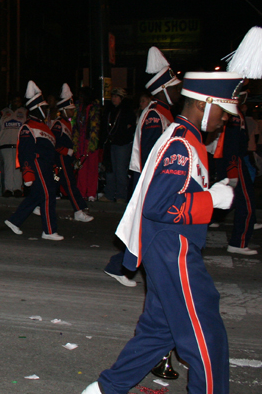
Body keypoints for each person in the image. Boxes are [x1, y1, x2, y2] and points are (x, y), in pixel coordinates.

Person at [81, 69, 243, 394]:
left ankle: (105, 391)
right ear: (207, 104)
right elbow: (159, 204)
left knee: (160, 331)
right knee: (206, 340)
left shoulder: (185, 138)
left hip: (168, 249)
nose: (224, 121)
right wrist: (210, 201)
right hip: (174, 250)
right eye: (223, 113)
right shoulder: (182, 144)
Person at [104, 47, 181, 287]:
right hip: (151, 180)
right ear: (164, 90)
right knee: (146, 228)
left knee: (149, 228)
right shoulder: (155, 115)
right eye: (175, 88)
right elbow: (151, 154)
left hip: (156, 180)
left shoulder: (164, 113)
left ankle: (121, 266)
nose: (179, 92)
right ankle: (121, 267)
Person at [3, 81, 64, 240]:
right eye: (43, 108)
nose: (46, 111)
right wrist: (28, 174)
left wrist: (56, 169)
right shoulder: (28, 127)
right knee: (47, 195)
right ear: (36, 108)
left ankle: (14, 221)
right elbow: (25, 152)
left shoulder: (45, 127)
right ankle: (49, 231)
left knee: (38, 195)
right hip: (37, 166)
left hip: (46, 167)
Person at [50, 83, 93, 222]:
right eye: (70, 109)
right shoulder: (58, 124)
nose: (73, 112)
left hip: (66, 159)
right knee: (69, 184)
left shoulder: (68, 123)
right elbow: (54, 144)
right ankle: (78, 210)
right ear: (64, 110)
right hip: (61, 159)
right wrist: (67, 151)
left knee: (55, 184)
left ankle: (38, 203)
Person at [102, 88, 135, 203]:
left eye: (116, 97)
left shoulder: (127, 111)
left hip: (122, 144)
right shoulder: (109, 111)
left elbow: (130, 128)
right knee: (110, 170)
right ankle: (109, 195)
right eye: (113, 96)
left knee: (121, 170)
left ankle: (121, 196)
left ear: (122, 98)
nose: (114, 99)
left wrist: (123, 133)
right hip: (111, 143)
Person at [0, 94, 27, 197]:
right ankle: (8, 189)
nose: (16, 103)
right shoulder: (3, 112)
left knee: (18, 167)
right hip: (6, 143)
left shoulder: (25, 112)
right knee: (8, 166)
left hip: (19, 143)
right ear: (11, 101)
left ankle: (17, 188)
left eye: (18, 101)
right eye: (15, 100)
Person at [72, 88, 101, 202]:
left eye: (82, 96)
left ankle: (91, 193)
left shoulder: (95, 108)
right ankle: (81, 191)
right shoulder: (78, 108)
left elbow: (97, 127)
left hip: (91, 141)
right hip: (80, 141)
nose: (80, 98)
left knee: (92, 167)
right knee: (81, 167)